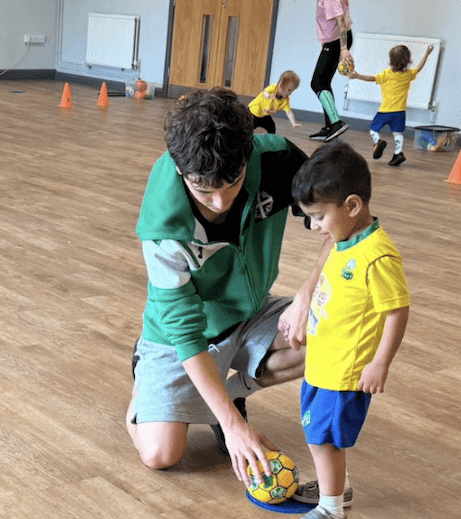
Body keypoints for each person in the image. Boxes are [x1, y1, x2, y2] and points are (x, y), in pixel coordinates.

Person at [127, 87, 333, 487]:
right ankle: (145, 386)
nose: (220, 202)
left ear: (248, 153)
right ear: (180, 168)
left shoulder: (277, 159)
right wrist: (234, 426)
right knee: (160, 455)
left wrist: (307, 293)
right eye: (204, 190)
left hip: (250, 313)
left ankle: (230, 393)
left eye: (233, 183)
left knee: (337, 333)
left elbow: (342, 224)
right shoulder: (163, 223)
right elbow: (185, 331)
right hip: (180, 334)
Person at [283, 141, 410, 519]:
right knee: (321, 436)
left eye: (319, 217)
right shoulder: (345, 239)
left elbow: (397, 311)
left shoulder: (377, 256)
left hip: (345, 372)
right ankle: (336, 488)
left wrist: (380, 363)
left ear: (352, 205)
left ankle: (332, 512)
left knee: (322, 438)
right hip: (324, 362)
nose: (314, 227)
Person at [348, 44, 434, 166]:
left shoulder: (386, 74)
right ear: (407, 61)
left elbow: (372, 78)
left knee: (373, 129)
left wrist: (357, 76)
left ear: (391, 61)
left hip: (385, 111)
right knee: (397, 133)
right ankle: (398, 153)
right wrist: (426, 54)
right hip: (400, 112)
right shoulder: (408, 74)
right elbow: (419, 68)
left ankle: (378, 141)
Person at [287, 0, 353, 142]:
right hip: (335, 41)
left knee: (317, 83)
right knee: (324, 83)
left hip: (336, 42)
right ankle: (330, 127)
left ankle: (336, 123)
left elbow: (341, 21)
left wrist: (343, 49)